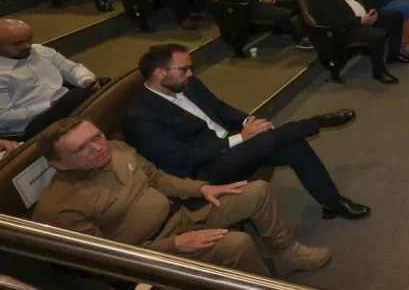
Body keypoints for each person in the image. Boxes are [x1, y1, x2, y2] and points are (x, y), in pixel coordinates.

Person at [32, 117, 331, 277]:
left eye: (96, 136)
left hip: (181, 215)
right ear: (58, 162)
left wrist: (200, 189)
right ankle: (258, 284)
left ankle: (289, 251)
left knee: (257, 191)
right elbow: (107, 259)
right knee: (238, 243)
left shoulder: (116, 149)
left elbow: (157, 178)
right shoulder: (60, 209)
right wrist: (172, 245)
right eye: (82, 147)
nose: (98, 147)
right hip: (151, 251)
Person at [123, 43, 368, 218]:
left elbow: (220, 108)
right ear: (159, 73)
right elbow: (183, 158)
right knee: (265, 141)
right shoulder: (140, 117)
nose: (191, 74)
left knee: (293, 144)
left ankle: (332, 202)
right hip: (203, 170)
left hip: (231, 147)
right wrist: (242, 137)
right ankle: (316, 122)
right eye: (184, 69)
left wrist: (249, 121)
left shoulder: (187, 85)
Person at [310, 0, 409, 84]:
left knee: (395, 16)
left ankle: (394, 53)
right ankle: (379, 71)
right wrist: (361, 21)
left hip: (363, 16)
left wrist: (369, 11)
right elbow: (332, 20)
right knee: (377, 35)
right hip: (345, 28)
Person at [0, 19, 99, 138]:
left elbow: (72, 69)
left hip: (66, 104)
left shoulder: (40, 51)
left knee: (103, 91)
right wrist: (48, 105)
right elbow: (3, 117)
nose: (27, 46)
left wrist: (85, 79)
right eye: (18, 44)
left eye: (29, 40)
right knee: (80, 98)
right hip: (33, 123)